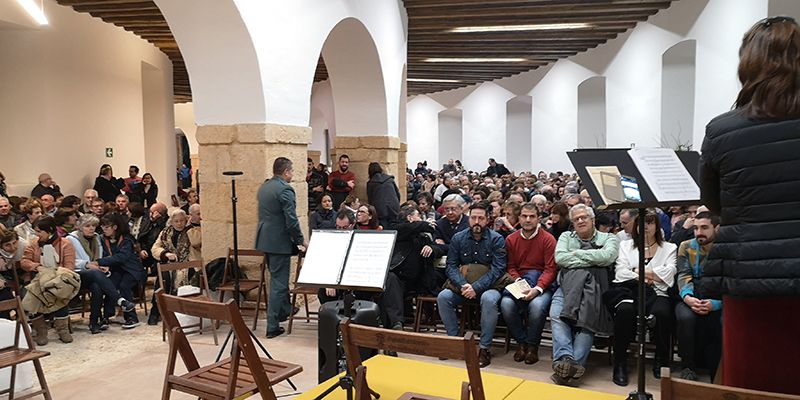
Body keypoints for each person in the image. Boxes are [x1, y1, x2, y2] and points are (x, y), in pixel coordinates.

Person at [698, 16, 800, 395]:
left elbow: (713, 201)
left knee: (751, 380)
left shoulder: (722, 130)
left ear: (747, 64)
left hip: (749, 275)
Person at [550, 204, 618, 386]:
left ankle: (565, 367)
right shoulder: (566, 237)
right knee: (556, 315)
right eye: (576, 219)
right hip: (566, 288)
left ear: (593, 219)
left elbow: (608, 257)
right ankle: (567, 359)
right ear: (572, 223)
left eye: (584, 217)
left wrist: (577, 253)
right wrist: (593, 260)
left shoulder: (609, 238)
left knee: (587, 321)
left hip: (595, 289)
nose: (580, 221)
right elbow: (561, 259)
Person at [608, 210, 677, 386]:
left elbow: (669, 274)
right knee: (624, 311)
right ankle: (620, 362)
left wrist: (637, 271)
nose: (645, 226)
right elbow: (621, 273)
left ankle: (661, 359)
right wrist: (650, 277)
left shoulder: (669, 248)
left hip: (658, 293)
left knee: (662, 313)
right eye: (641, 222)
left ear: (657, 226)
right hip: (631, 291)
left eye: (650, 222)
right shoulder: (625, 246)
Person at [437, 202, 507, 368]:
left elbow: (497, 270)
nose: (476, 221)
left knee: (489, 300)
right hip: (463, 285)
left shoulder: (496, 239)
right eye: (473, 217)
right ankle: (455, 342)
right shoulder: (458, 238)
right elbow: (451, 265)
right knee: (443, 297)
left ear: (488, 219)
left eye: (480, 218)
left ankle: (484, 348)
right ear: (469, 218)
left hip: (489, 286)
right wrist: (463, 285)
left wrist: (476, 287)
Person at [255, 157, 307, 338]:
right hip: (279, 242)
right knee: (279, 283)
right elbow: (291, 220)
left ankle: (285, 310)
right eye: (291, 172)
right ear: (286, 171)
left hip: (266, 240)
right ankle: (272, 326)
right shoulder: (285, 189)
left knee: (276, 279)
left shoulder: (265, 187)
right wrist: (301, 240)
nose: (292, 175)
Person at [500, 203, 557, 365]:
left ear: (539, 218)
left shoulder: (548, 239)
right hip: (519, 281)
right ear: (519, 218)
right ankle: (521, 342)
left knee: (537, 307)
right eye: (524, 216)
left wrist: (537, 289)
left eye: (532, 216)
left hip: (542, 284)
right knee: (506, 304)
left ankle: (532, 346)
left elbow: (550, 269)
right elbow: (510, 266)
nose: (528, 219)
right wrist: (519, 282)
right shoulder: (511, 239)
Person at [67, 214, 136, 334]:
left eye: (93, 226)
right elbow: (69, 261)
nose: (91, 228)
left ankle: (94, 322)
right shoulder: (70, 239)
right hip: (77, 273)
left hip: (95, 273)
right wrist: (86, 264)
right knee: (95, 273)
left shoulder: (97, 238)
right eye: (87, 226)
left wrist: (104, 266)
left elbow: (103, 257)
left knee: (97, 287)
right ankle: (120, 300)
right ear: (80, 227)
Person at [675, 211, 722, 382]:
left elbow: (729, 280)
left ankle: (717, 372)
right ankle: (687, 367)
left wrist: (716, 304)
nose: (699, 232)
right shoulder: (686, 246)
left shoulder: (725, 247)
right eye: (695, 228)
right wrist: (688, 297)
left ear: (716, 228)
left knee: (720, 321)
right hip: (691, 294)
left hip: (718, 296)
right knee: (685, 318)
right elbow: (683, 274)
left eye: (704, 228)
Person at [20, 216, 80, 345]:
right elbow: (24, 262)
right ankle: (41, 330)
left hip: (59, 278)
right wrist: (37, 266)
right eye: (35, 231)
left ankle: (62, 329)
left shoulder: (65, 244)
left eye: (39, 231)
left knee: (58, 292)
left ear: (50, 230)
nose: (37, 234)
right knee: (29, 295)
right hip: (37, 279)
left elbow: (69, 266)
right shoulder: (34, 244)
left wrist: (54, 275)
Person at [93, 213, 145, 329]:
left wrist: (99, 262)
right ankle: (106, 316)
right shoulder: (102, 239)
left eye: (106, 227)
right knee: (109, 285)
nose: (104, 229)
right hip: (116, 269)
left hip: (132, 270)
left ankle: (132, 317)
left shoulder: (127, 239)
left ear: (115, 227)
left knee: (124, 286)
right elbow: (105, 255)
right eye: (102, 226)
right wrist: (104, 264)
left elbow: (122, 257)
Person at [366, 162, 401, 229]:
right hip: (393, 206)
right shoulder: (390, 179)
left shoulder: (371, 183)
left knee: (385, 228)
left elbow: (370, 199)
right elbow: (397, 194)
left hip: (380, 209)